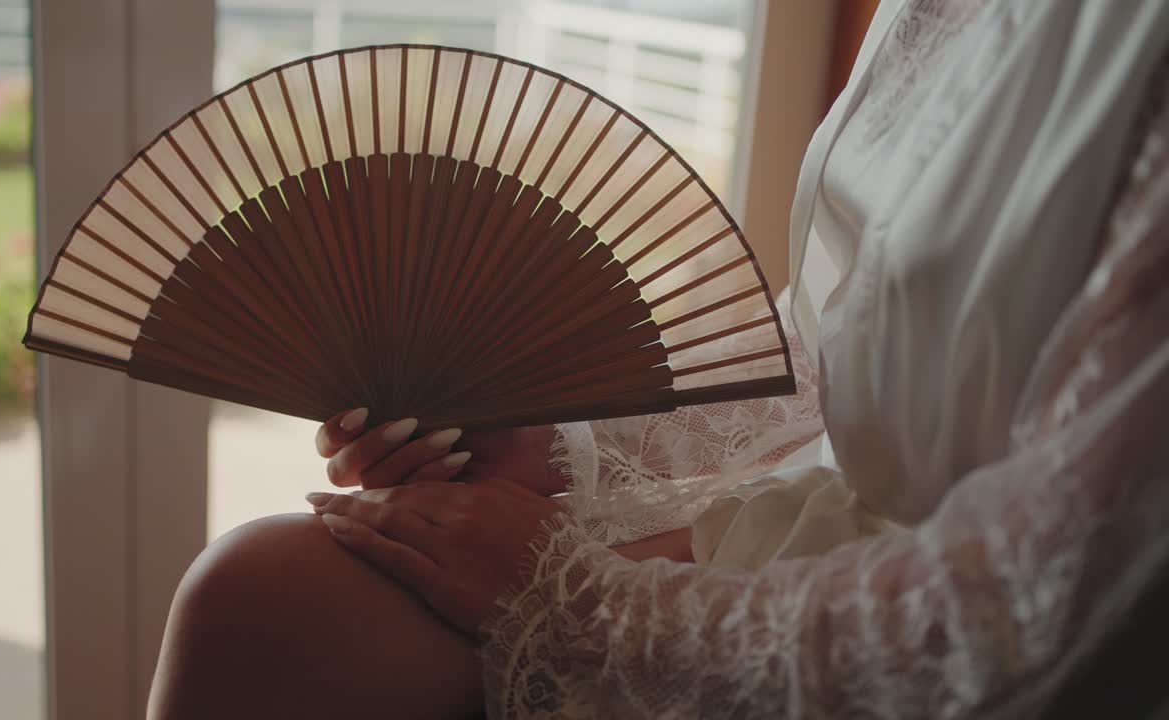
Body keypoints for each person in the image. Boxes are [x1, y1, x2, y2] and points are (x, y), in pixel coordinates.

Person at [147, 1, 1169, 717]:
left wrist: (573, 603)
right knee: (260, 599)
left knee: (258, 603)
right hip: (833, 507)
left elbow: (1058, 601)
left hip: (956, 603)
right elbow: (844, 341)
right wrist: (569, 448)